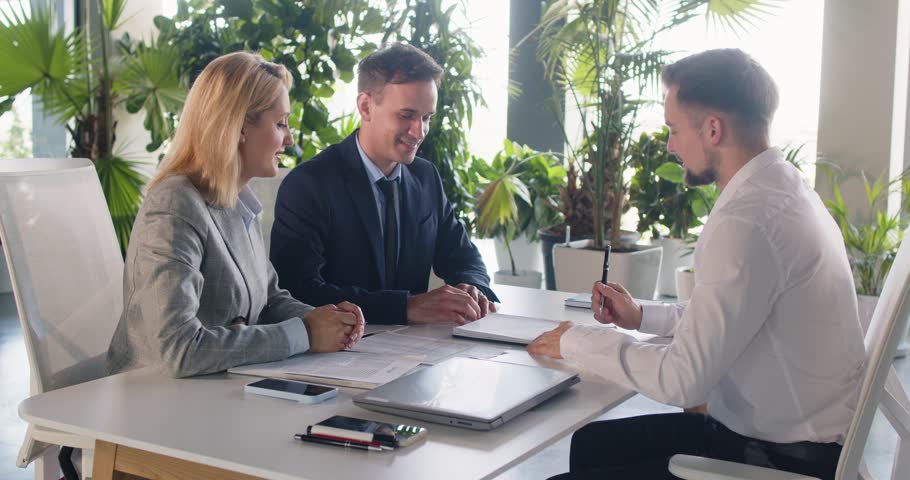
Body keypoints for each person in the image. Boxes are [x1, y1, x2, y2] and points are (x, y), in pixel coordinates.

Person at [528, 49, 864, 479]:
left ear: (712, 129)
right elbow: (730, 316)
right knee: (591, 444)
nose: (669, 145)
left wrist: (575, 340)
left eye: (673, 130)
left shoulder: (748, 221)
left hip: (777, 461)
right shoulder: (785, 189)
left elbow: (682, 380)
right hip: (795, 441)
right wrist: (640, 316)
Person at [108, 52, 364, 378]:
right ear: (241, 126)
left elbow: (267, 300)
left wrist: (327, 321)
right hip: (151, 402)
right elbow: (178, 348)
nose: (289, 139)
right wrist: (306, 334)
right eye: (281, 123)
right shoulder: (174, 205)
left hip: (216, 393)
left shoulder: (238, 200)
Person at [270, 42, 498, 326]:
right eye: (407, 115)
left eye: (426, 118)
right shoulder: (309, 184)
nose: (420, 131)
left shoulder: (426, 177)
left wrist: (471, 287)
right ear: (366, 106)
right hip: (336, 355)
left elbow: (464, 257)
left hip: (415, 352)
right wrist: (405, 307)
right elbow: (298, 289)